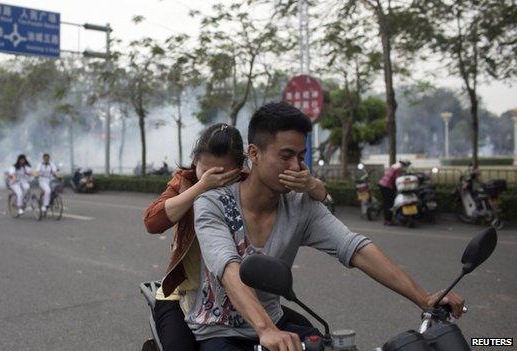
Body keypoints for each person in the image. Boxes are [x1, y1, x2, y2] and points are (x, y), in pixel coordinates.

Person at [189, 102, 464, 351]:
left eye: (301, 155)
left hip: (276, 325)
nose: (297, 167)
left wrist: (423, 298)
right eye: (286, 155)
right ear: (254, 153)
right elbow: (228, 269)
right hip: (221, 332)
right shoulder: (212, 203)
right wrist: (266, 330)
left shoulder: (300, 205)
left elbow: (354, 247)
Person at [143, 123, 327, 351]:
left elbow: (309, 196)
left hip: (237, 300)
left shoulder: (249, 187)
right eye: (207, 171)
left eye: (222, 174)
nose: (216, 180)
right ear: (195, 160)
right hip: (184, 298)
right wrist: (201, 187)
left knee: (312, 338)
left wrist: (313, 185)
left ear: (240, 167)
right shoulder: (185, 183)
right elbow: (152, 222)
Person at [378, 160, 411, 225]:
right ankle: (388, 220)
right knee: (389, 204)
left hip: (383, 184)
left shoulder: (395, 166)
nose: (406, 167)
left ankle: (388, 219)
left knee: (387, 203)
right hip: (387, 186)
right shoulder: (398, 169)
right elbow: (398, 180)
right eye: (406, 166)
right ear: (404, 165)